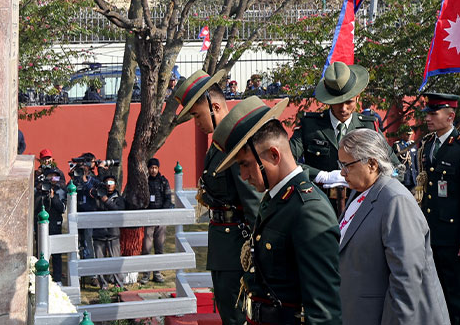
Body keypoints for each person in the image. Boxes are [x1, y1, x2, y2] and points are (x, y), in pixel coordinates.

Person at [213, 95, 341, 325]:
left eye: (245, 164)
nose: (243, 175)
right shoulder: (276, 200)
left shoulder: (309, 210)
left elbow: (324, 311)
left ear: (274, 155)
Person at [167, 70, 261, 325]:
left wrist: (259, 254)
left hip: (237, 247)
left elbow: (253, 202)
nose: (196, 122)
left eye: (197, 115)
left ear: (215, 106)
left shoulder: (234, 143)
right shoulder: (220, 143)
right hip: (223, 245)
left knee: (238, 318)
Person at [336, 129, 449, 325]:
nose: (342, 172)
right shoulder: (361, 192)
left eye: (347, 165)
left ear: (372, 164)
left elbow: (406, 280)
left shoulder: (396, 201)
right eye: (341, 165)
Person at [416, 92, 460, 325]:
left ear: (450, 116)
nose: (428, 118)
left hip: (454, 239)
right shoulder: (427, 145)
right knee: (436, 297)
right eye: (427, 114)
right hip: (431, 234)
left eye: (433, 114)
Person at [289, 62, 377, 207]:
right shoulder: (310, 126)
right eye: (337, 103)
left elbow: (392, 167)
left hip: (360, 204)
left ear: (357, 97)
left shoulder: (368, 126)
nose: (343, 108)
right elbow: (287, 162)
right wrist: (321, 176)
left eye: (348, 102)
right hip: (318, 203)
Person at [33, 149, 67, 282]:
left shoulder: (59, 181)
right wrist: (39, 186)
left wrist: (53, 196)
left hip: (55, 221)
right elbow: (34, 203)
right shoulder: (37, 176)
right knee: (41, 251)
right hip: (40, 222)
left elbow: (62, 206)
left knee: (57, 253)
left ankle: (57, 279)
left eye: (48, 158)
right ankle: (41, 278)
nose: (46, 161)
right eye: (44, 159)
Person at [139, 157, 173, 284]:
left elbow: (168, 199)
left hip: (160, 218)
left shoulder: (164, 182)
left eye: (155, 168)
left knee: (159, 246)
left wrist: (162, 213)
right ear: (148, 169)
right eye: (151, 168)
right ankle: (146, 273)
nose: (153, 170)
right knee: (146, 247)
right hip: (148, 218)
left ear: (158, 168)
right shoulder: (144, 182)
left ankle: (157, 273)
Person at [90, 175, 126, 287]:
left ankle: (118, 284)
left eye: (111, 182)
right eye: (107, 183)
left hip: (113, 234)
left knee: (116, 261)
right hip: (98, 233)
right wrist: (96, 196)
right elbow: (91, 209)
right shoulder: (96, 197)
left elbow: (118, 210)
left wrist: (106, 201)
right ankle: (103, 285)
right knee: (100, 262)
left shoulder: (119, 198)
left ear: (115, 185)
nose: (109, 185)